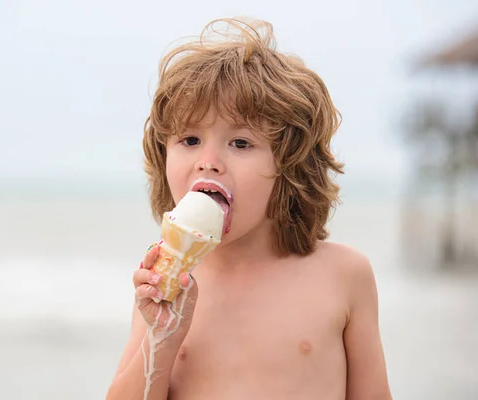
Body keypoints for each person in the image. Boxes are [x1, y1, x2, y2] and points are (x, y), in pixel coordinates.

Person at [106, 17, 391, 400]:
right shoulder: (167, 282)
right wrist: (161, 339)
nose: (209, 161)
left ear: (290, 165)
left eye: (240, 143)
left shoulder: (343, 275)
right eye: (189, 139)